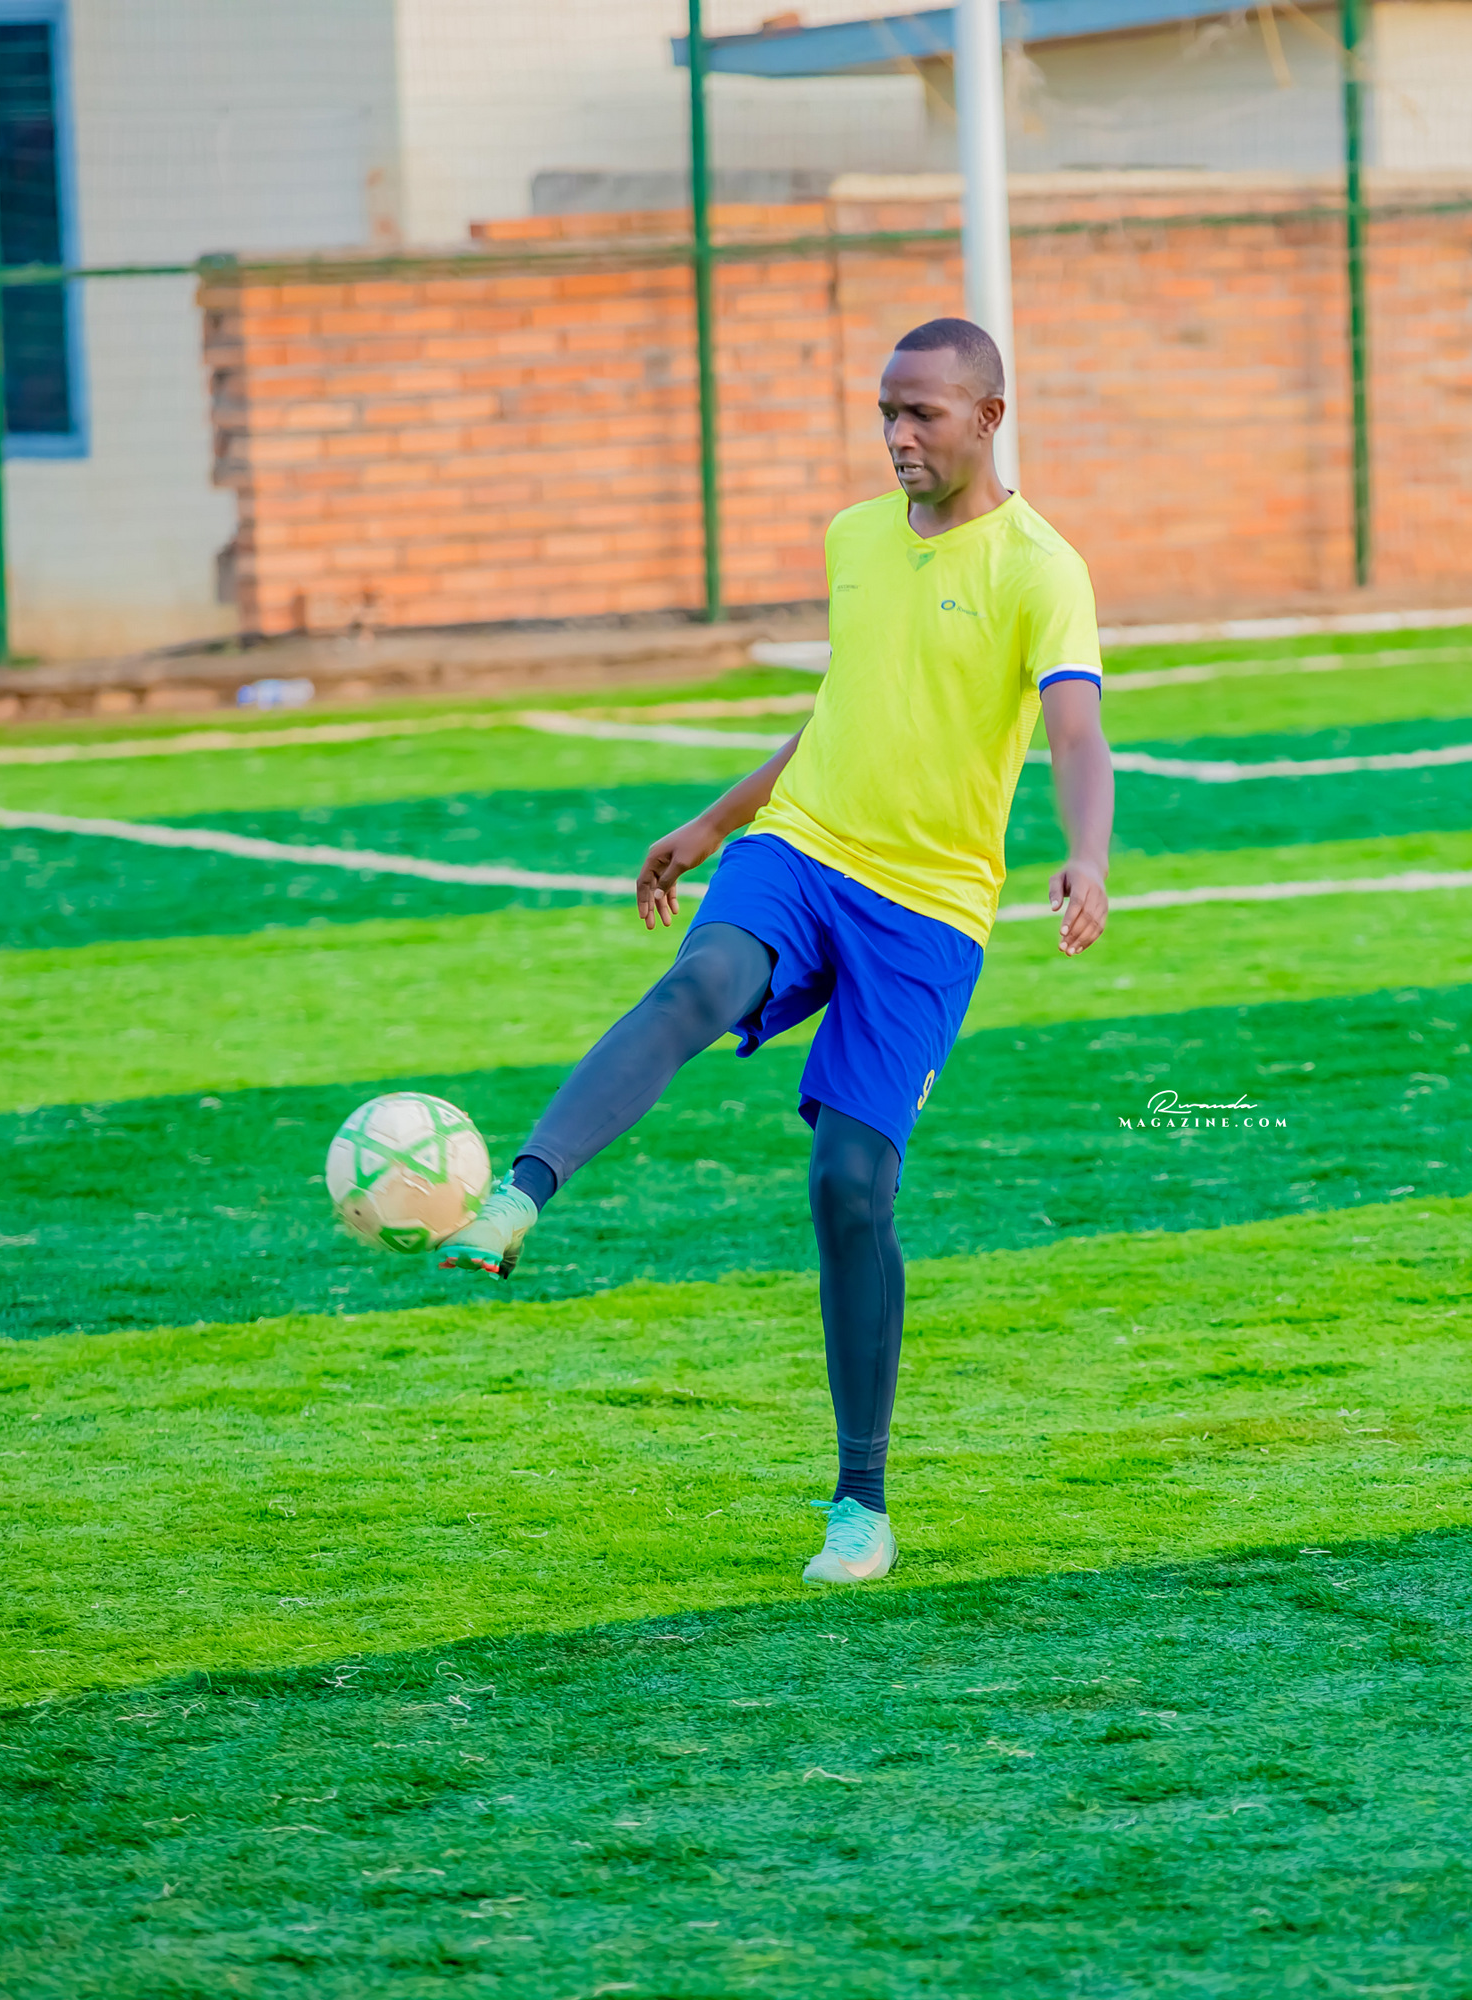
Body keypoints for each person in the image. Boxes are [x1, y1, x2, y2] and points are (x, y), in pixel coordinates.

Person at [436, 316, 1117, 1589]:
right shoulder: (856, 538)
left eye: (922, 412)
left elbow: (1077, 732)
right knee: (702, 981)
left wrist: (1087, 852)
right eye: (885, 411)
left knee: (850, 1185)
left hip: (930, 908)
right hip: (802, 848)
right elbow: (841, 712)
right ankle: (520, 1191)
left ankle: (862, 1505)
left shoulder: (1042, 569)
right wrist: (715, 821)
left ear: (988, 417)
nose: (898, 434)